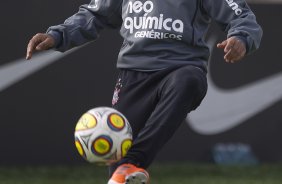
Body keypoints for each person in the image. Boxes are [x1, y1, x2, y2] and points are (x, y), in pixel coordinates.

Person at [26, 0, 263, 183]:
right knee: (119, 175)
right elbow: (94, 14)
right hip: (133, 77)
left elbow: (241, 16)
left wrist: (241, 38)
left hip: (181, 68)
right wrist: (57, 35)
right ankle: (127, 166)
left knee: (189, 80)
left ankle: (133, 161)